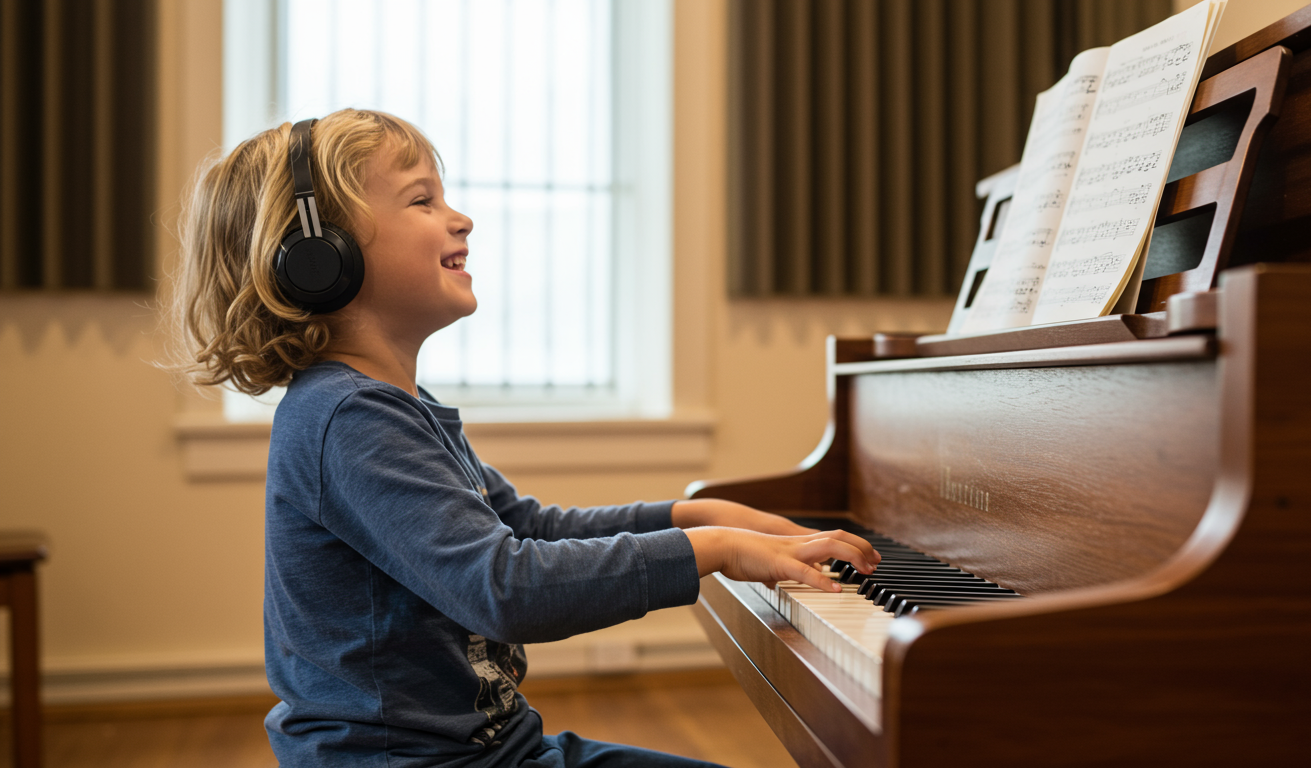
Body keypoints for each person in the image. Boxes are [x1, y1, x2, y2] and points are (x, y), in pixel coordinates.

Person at [166, 108, 879, 768]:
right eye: (423, 201)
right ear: (320, 256)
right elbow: (505, 589)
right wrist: (714, 551)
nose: (461, 219)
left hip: (491, 749)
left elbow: (524, 529)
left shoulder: (397, 407)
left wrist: (692, 516)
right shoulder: (346, 420)